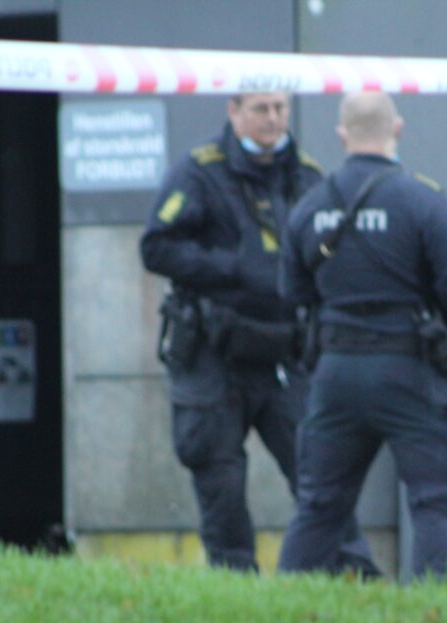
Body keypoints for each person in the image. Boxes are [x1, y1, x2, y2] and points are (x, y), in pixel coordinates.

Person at [140, 92, 379, 575]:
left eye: (280, 108)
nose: (272, 119)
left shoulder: (307, 175)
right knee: (220, 481)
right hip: (214, 353)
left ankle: (351, 575)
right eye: (260, 109)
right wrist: (231, 267)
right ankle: (236, 585)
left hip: (283, 353)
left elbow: (329, 253)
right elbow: (157, 248)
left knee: (321, 469)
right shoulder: (199, 171)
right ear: (234, 111)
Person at [277, 92, 447, 581]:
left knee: (320, 504)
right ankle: (433, 608)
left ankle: (283, 603)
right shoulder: (422, 199)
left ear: (342, 135)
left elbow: (291, 292)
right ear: (398, 129)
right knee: (434, 499)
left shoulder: (311, 206)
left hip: (335, 372)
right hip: (407, 367)